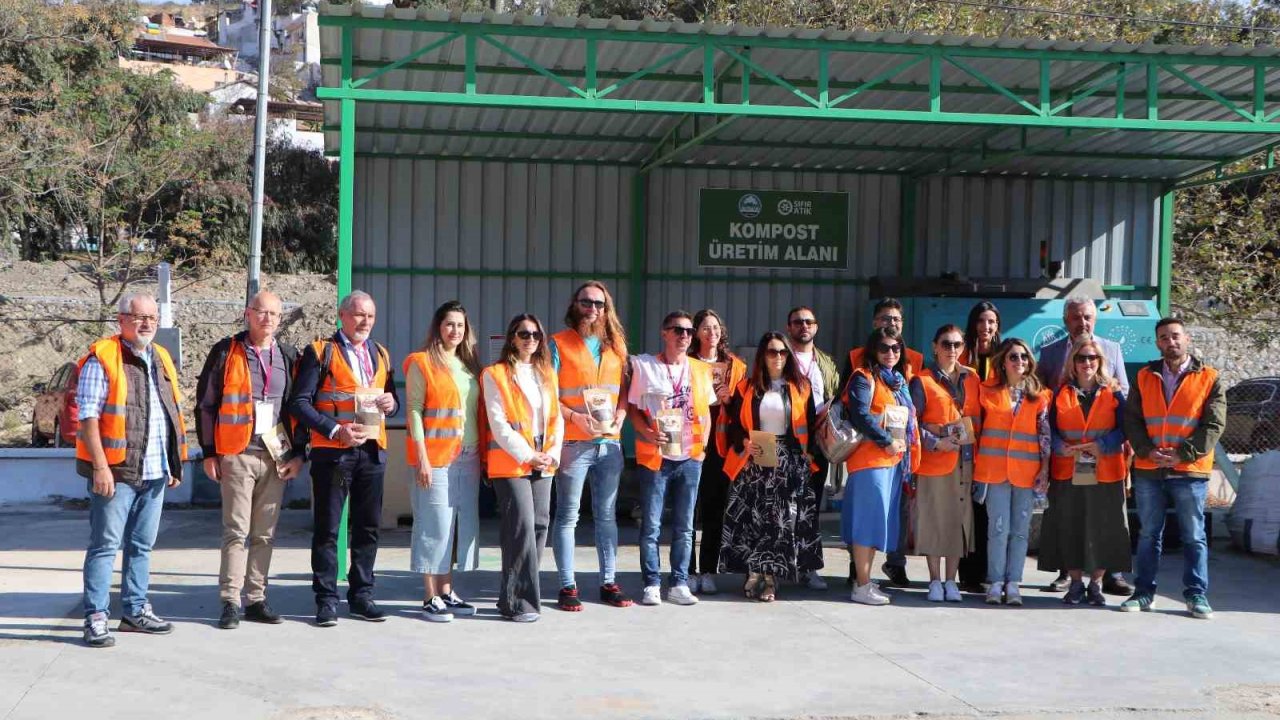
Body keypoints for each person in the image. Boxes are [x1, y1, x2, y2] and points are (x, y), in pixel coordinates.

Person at [78, 292, 188, 648]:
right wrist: (100, 467)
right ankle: (96, 616)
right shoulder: (104, 358)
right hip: (117, 472)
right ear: (121, 319)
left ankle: (135, 611)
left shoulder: (161, 358)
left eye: (152, 319)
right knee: (105, 546)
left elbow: (170, 414)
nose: (146, 324)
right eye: (139, 317)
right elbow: (88, 419)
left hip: (155, 471)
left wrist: (172, 463)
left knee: (142, 545)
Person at [288, 290, 399, 627]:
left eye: (370, 316)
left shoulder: (380, 353)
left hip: (371, 451)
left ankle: (362, 595)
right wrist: (335, 431)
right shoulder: (321, 352)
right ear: (342, 315)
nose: (364, 322)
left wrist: (391, 404)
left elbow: (390, 396)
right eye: (358, 314)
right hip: (333, 453)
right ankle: (326, 600)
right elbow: (299, 403)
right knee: (328, 529)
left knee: (368, 527)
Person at [196, 290, 304, 630]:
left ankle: (256, 599)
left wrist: (299, 454)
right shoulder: (227, 351)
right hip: (238, 453)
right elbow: (206, 404)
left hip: (275, 456)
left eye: (274, 313)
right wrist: (210, 452)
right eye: (261, 312)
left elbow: (298, 407)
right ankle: (230, 600)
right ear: (248, 313)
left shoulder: (288, 355)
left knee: (265, 533)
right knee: (236, 531)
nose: (267, 319)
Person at [1120, 318, 1226, 619]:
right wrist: (1146, 450)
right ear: (1157, 343)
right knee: (1148, 534)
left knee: (1194, 536)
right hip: (1150, 467)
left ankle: (1196, 595)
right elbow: (1132, 419)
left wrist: (1182, 454)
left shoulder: (1210, 377)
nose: (1171, 342)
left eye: (1175, 336)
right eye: (1164, 337)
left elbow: (1214, 424)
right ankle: (1143, 593)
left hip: (1189, 470)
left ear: (1187, 339)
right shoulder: (1143, 376)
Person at [1036, 296, 1134, 595]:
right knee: (1069, 521)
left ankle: (1105, 578)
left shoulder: (1113, 358)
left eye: (1088, 317)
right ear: (1066, 320)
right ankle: (1070, 576)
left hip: (1105, 463)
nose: (1083, 322)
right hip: (1068, 464)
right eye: (1077, 317)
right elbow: (1043, 411)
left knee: (1108, 523)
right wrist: (1057, 446)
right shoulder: (1052, 356)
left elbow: (1125, 411)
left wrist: (1104, 443)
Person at [718, 332, 822, 602]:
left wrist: (806, 459)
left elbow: (811, 426)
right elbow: (734, 425)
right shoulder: (746, 387)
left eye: (783, 352)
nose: (777, 357)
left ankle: (771, 578)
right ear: (762, 356)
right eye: (772, 352)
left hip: (788, 462)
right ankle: (754, 573)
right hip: (755, 460)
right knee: (753, 521)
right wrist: (743, 442)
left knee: (779, 523)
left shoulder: (802, 387)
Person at [549, 281, 631, 611]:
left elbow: (624, 391)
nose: (592, 309)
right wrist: (573, 416)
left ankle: (608, 581)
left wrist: (622, 416)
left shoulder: (617, 346)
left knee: (607, 517)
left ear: (606, 308)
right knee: (568, 516)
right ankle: (567, 585)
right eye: (586, 302)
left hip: (609, 444)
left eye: (598, 304)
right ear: (575, 305)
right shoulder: (558, 344)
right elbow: (548, 395)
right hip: (573, 442)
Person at [626, 310, 715, 607]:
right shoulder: (647, 366)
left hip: (690, 457)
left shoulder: (700, 370)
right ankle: (651, 582)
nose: (684, 336)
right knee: (651, 524)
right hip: (656, 456)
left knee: (685, 525)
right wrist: (646, 434)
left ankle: (678, 581)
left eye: (689, 331)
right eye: (677, 330)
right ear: (664, 333)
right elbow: (634, 409)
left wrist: (703, 450)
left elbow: (706, 413)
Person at [403, 301, 483, 623]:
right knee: (433, 525)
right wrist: (421, 456)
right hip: (435, 458)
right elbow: (414, 410)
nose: (455, 331)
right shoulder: (421, 363)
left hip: (469, 457)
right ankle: (429, 596)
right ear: (438, 326)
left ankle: (447, 591)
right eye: (450, 324)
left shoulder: (468, 366)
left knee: (455, 528)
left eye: (461, 326)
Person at [482, 314, 564, 623]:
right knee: (522, 527)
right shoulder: (495, 374)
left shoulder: (547, 374)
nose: (530, 339)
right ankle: (522, 603)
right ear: (512, 338)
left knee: (540, 525)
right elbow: (498, 423)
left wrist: (551, 453)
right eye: (523, 334)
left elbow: (556, 417)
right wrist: (529, 454)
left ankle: (513, 595)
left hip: (544, 458)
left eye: (535, 335)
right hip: (513, 460)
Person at [845, 298, 923, 589]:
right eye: (884, 348)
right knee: (866, 523)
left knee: (880, 522)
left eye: (895, 348)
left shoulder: (898, 381)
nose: (891, 352)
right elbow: (859, 413)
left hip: (893, 461)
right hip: (871, 459)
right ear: (872, 350)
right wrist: (886, 440)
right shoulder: (864, 375)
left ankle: (867, 579)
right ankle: (861, 582)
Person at [974, 338, 1051, 607]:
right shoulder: (986, 391)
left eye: (1024, 357)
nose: (1020, 362)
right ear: (1002, 362)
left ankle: (1013, 583)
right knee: (997, 529)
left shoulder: (1040, 396)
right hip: (994, 473)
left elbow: (1044, 437)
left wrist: (1045, 469)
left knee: (1020, 531)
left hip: (1026, 473)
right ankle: (995, 582)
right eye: (1013, 357)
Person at [910, 325, 981, 603]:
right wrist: (935, 441)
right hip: (935, 460)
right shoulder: (922, 381)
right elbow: (911, 425)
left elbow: (979, 418)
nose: (952, 349)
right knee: (933, 521)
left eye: (957, 344)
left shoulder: (972, 379)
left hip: (964, 460)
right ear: (934, 347)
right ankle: (934, 580)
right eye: (946, 344)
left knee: (957, 521)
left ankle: (952, 580)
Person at [687, 308, 747, 596]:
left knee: (714, 512)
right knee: (686, 511)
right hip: (689, 444)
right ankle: (686, 571)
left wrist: (729, 399)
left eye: (716, 328)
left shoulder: (736, 366)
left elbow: (746, 407)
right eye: (706, 328)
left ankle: (709, 570)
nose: (712, 333)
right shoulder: (685, 363)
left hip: (720, 450)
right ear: (696, 333)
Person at [784, 305, 840, 591]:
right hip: (787, 443)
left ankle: (808, 566)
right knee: (780, 508)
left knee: (810, 509)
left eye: (808, 322)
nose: (803, 326)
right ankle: (777, 566)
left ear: (816, 327)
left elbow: (835, 398)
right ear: (789, 327)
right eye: (797, 322)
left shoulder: (826, 363)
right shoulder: (779, 357)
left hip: (816, 446)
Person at [956, 300, 1001, 593]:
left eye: (992, 323)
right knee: (967, 510)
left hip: (995, 445)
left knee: (989, 511)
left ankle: (987, 571)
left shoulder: (1003, 357)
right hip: (964, 444)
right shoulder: (960, 356)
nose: (986, 327)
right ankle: (967, 574)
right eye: (982, 321)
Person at [959, 301, 1002, 382]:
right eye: (980, 321)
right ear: (973, 324)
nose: (986, 326)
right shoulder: (959, 353)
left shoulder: (1004, 355)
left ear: (996, 326)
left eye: (991, 321)